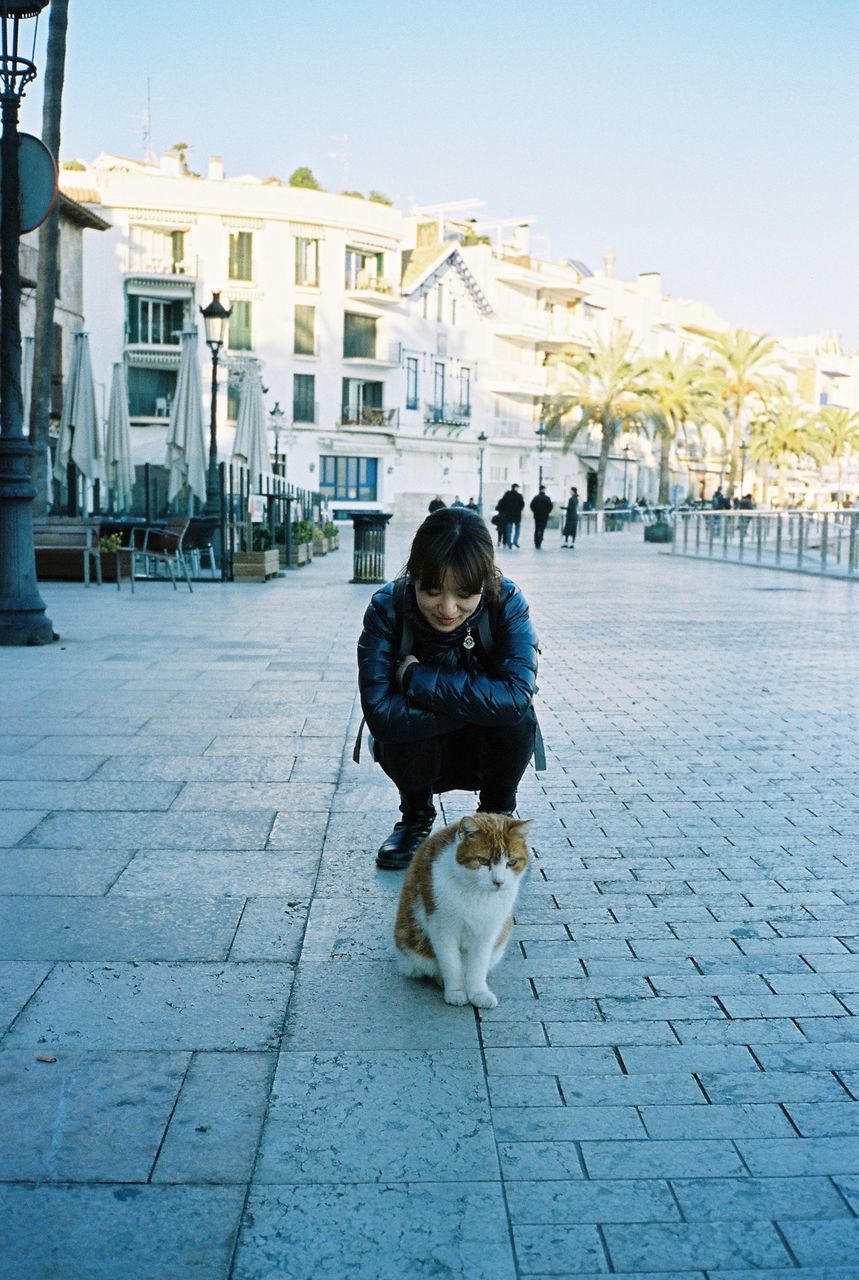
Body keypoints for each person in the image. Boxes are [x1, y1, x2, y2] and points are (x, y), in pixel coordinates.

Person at [357, 507, 541, 870]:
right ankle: (414, 817)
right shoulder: (387, 608)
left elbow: (517, 697)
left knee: (517, 719)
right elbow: (381, 715)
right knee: (406, 724)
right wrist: (477, 705)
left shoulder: (507, 603)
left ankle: (497, 817)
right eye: (432, 591)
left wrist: (414, 680)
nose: (447, 608)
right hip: (417, 752)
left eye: (464, 594)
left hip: (486, 753)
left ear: (485, 584)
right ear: (414, 577)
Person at [497, 483, 525, 548]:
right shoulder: (519, 496)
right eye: (517, 487)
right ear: (514, 488)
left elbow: (502, 504)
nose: (518, 489)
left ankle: (509, 543)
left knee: (509, 530)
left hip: (509, 515)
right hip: (517, 515)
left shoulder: (507, 495)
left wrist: (505, 511)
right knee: (517, 529)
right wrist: (519, 510)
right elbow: (522, 505)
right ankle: (515, 541)